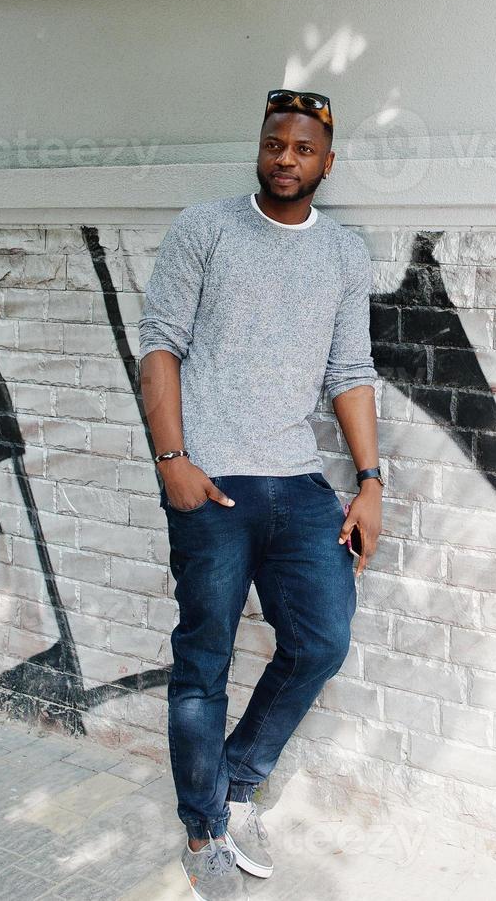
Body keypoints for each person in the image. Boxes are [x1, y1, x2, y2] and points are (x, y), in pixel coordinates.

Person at [136, 88, 383, 900]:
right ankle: (203, 828)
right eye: (275, 143)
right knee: (202, 661)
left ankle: (239, 781)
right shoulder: (205, 228)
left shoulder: (344, 254)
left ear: (325, 162)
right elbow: (161, 347)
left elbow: (348, 372)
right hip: (209, 484)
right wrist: (172, 457)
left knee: (319, 642)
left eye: (302, 149)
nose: (285, 158)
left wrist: (370, 481)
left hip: (298, 482)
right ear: (261, 148)